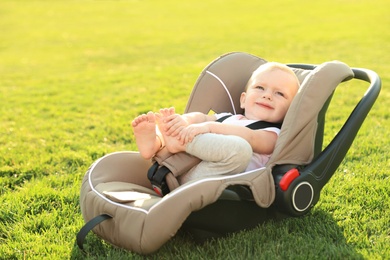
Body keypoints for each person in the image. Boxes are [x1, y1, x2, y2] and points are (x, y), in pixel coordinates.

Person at [131, 62, 300, 184]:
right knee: (185, 127)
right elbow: (201, 117)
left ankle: (178, 142)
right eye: (260, 88)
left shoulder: (274, 134)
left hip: (205, 179)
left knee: (241, 149)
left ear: (290, 110)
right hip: (181, 168)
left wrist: (208, 128)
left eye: (279, 94)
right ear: (243, 99)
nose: (267, 95)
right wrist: (183, 121)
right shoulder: (229, 118)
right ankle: (155, 143)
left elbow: (251, 137)